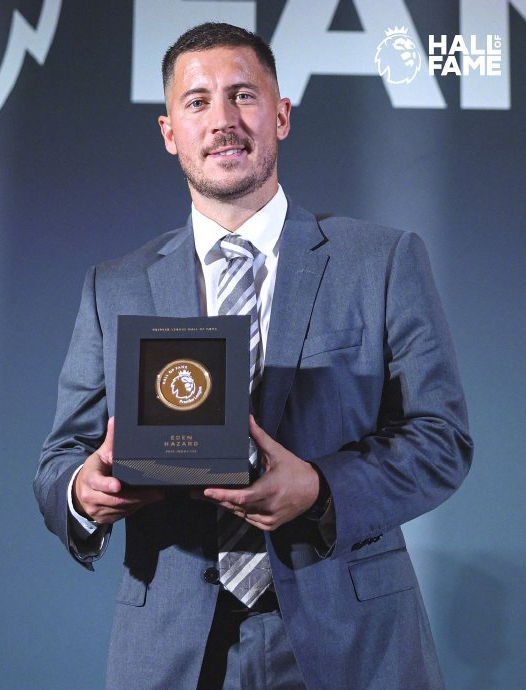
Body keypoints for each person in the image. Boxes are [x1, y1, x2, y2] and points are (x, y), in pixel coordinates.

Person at [34, 22, 473, 690]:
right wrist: (83, 491)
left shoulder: (380, 260)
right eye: (198, 101)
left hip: (352, 641)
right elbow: (61, 459)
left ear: (282, 115)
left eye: (243, 95)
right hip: (174, 652)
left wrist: (320, 489)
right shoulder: (114, 287)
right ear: (169, 132)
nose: (223, 120)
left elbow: (441, 439)